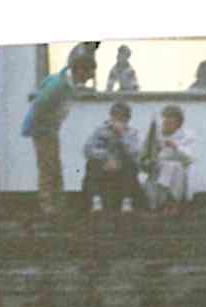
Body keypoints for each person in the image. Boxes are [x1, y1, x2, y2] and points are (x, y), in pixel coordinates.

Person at [21, 46, 97, 218]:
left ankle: (56, 204)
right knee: (49, 167)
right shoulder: (60, 85)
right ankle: (49, 205)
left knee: (53, 166)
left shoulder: (62, 82)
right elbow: (39, 104)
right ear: (79, 70)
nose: (86, 80)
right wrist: (45, 126)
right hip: (44, 130)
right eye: (86, 76)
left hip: (49, 129)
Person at [81, 102, 145, 217]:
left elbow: (136, 153)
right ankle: (96, 201)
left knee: (132, 165)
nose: (118, 119)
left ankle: (127, 201)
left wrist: (122, 136)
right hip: (104, 164)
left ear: (128, 118)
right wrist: (107, 156)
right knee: (91, 164)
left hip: (122, 166)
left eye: (122, 117)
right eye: (115, 116)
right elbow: (87, 150)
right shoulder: (100, 130)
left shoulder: (132, 133)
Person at [150, 104, 194, 212]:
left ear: (178, 123)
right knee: (171, 166)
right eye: (165, 119)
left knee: (175, 167)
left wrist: (176, 147)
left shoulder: (186, 136)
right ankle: (172, 203)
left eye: (171, 120)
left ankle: (168, 202)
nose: (167, 122)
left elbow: (189, 158)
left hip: (178, 172)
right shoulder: (156, 135)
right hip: (158, 170)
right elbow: (147, 155)